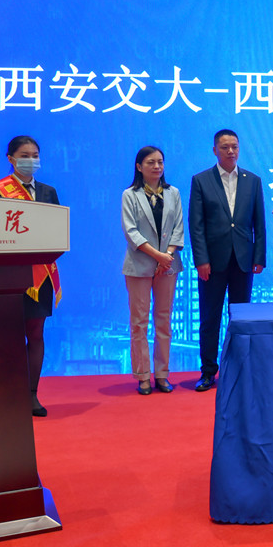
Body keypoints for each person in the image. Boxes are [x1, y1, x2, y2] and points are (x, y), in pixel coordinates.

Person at [0, 135, 61, 417]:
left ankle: (31, 395)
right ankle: (5, 395)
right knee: (9, 336)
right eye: (24, 155)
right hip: (10, 274)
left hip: (40, 275)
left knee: (36, 334)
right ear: (11, 159)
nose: (31, 160)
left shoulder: (48, 192)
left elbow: (58, 229)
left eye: (35, 155)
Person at [188, 129, 266, 392]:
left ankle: (239, 370)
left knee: (241, 318)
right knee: (210, 318)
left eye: (234, 146)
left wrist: (259, 256)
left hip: (243, 261)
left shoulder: (252, 181)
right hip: (212, 262)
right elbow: (196, 225)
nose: (231, 151)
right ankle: (208, 371)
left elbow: (259, 223)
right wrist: (201, 259)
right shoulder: (201, 180)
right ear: (215, 151)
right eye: (225, 147)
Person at [121, 145, 184, 396]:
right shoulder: (130, 195)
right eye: (151, 162)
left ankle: (162, 374)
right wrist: (157, 256)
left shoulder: (173, 193)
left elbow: (178, 227)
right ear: (139, 167)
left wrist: (167, 256)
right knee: (139, 322)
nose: (157, 166)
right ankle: (142, 376)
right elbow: (131, 231)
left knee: (164, 319)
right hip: (139, 264)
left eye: (160, 162)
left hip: (168, 265)